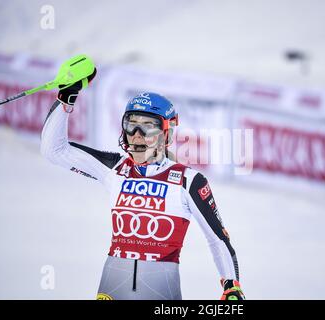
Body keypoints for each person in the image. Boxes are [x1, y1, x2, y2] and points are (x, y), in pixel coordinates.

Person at [40, 68, 245, 300]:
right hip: (112, 287)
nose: (136, 135)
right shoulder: (115, 168)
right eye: (131, 124)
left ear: (166, 133)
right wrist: (67, 98)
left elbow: (217, 238)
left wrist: (231, 286)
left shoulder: (188, 181)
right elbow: (54, 151)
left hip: (161, 291)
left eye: (147, 126)